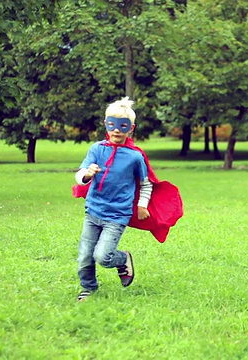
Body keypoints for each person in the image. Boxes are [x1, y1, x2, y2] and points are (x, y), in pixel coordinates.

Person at [74, 97, 153, 302]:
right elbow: (80, 175)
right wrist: (87, 174)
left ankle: (123, 259)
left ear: (131, 128)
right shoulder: (97, 149)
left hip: (117, 215)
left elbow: (145, 183)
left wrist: (142, 205)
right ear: (106, 125)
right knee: (85, 255)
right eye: (112, 125)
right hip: (93, 211)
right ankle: (88, 288)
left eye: (122, 126)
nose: (117, 130)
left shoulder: (135, 157)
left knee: (103, 256)